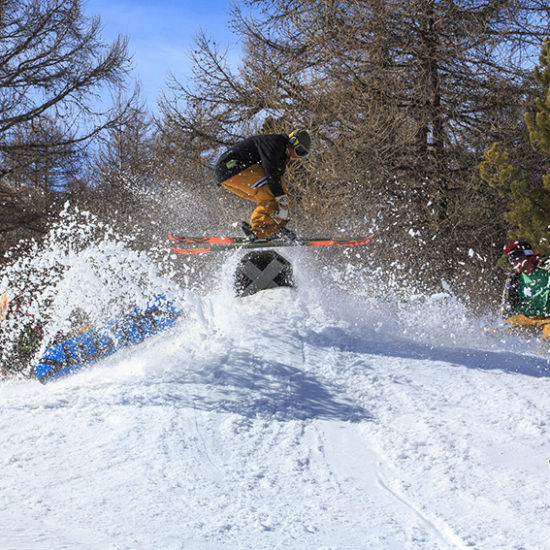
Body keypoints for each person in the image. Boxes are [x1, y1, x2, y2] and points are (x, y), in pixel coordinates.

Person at [214, 129, 311, 240]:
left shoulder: (279, 155)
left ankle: (269, 229)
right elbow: (272, 175)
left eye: (302, 155)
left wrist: (282, 211)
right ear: (292, 142)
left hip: (229, 174)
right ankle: (258, 230)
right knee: (271, 195)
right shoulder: (276, 144)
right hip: (232, 167)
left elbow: (278, 182)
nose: (297, 157)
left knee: (273, 198)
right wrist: (281, 200)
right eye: (299, 152)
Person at [501, 240, 550, 340]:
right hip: (522, 318)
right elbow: (505, 306)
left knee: (547, 337)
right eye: (511, 258)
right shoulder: (514, 278)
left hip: (546, 319)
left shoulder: (545, 271)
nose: (514, 262)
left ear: (528, 256)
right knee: (496, 334)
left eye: (516, 257)